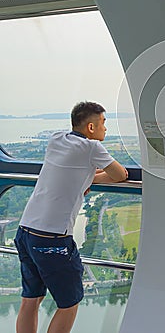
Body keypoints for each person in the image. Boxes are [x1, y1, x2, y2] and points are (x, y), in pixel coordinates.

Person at [14, 101, 128, 333]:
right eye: (103, 123)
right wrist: (90, 178)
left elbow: (69, 170)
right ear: (91, 128)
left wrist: (85, 178)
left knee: (30, 300)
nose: (106, 128)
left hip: (25, 231)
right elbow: (120, 174)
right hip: (52, 239)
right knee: (69, 304)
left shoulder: (56, 138)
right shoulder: (92, 148)